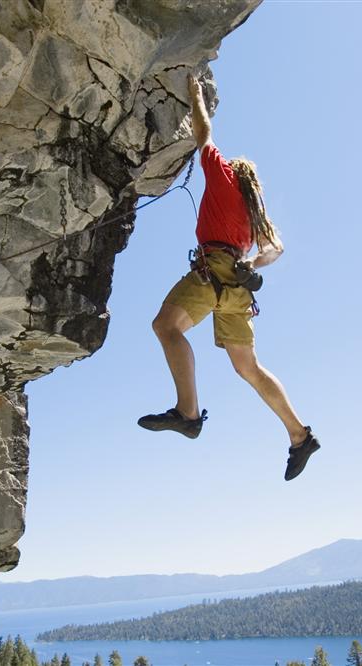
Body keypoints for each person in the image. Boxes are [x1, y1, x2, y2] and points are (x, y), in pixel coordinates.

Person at [137, 73, 321, 481]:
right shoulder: (255, 212)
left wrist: (195, 95)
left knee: (166, 327)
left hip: (212, 270)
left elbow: (204, 134)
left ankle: (188, 412)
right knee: (248, 367)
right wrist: (254, 266)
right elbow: (276, 248)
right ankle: (299, 435)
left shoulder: (222, 175)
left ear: (234, 171)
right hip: (237, 284)